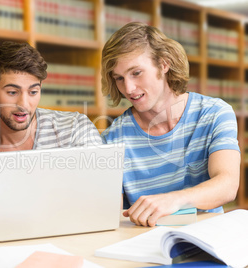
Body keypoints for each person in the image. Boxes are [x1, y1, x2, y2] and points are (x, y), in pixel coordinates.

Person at [100, 22, 240, 227]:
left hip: (206, 242)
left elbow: (227, 185)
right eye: (119, 78)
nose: (128, 88)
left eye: (136, 73)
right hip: (142, 246)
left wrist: (173, 200)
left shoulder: (214, 113)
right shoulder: (112, 139)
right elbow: (110, 216)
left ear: (164, 64)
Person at [0, 41, 102, 198]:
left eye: (33, 92)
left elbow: (101, 196)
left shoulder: (76, 129)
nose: (24, 104)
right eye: (12, 92)